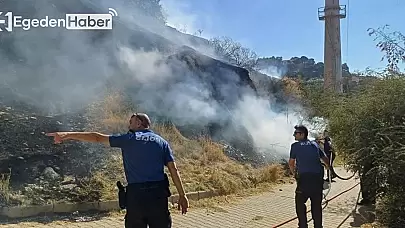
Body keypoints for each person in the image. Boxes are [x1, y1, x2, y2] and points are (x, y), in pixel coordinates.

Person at [46, 113, 189, 228]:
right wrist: (182, 195)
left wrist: (67, 135)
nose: (129, 125)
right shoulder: (162, 142)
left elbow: (96, 137)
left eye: (131, 122)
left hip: (136, 196)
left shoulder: (129, 139)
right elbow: (173, 169)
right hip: (158, 195)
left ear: (139, 123)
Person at [289, 125, 330, 228]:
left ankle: (303, 226)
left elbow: (291, 163)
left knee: (299, 203)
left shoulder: (295, 146)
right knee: (316, 205)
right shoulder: (315, 144)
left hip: (304, 180)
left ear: (302, 134)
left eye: (296, 133)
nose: (294, 135)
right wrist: (329, 168)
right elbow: (325, 159)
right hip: (317, 180)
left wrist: (294, 174)